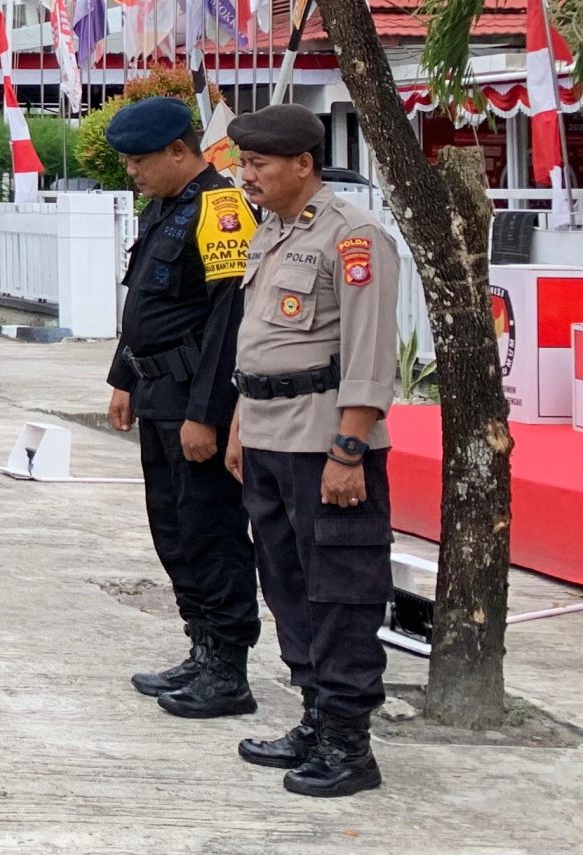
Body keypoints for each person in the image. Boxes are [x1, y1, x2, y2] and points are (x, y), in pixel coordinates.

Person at [225, 103, 401, 797]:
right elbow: (261, 343)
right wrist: (241, 421)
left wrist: (350, 450)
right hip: (268, 433)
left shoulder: (353, 238)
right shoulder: (271, 234)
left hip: (323, 440)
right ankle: (314, 713)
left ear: (303, 164)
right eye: (244, 164)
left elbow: (366, 353)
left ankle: (348, 741)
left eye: (259, 165)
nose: (247, 177)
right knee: (287, 584)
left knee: (340, 590)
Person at [103, 95, 260, 717]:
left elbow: (229, 321)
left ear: (179, 151)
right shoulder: (164, 210)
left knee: (210, 533)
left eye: (141, 160)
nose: (133, 172)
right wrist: (123, 378)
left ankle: (229, 668)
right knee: (172, 530)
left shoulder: (220, 211)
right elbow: (144, 304)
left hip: (195, 398)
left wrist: (207, 415)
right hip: (157, 391)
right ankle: (200, 647)